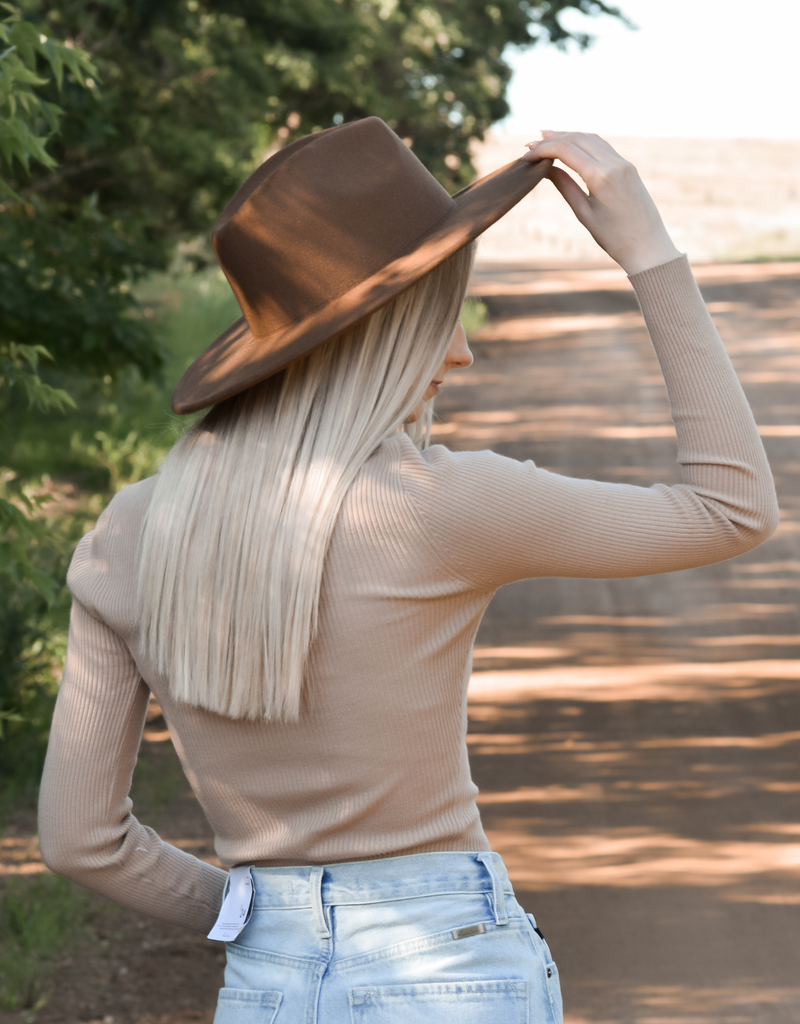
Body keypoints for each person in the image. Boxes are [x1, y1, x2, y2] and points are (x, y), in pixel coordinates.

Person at [38, 118, 778, 1024]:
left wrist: (260, 915)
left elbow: (80, 843)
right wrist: (652, 257)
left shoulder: (127, 531)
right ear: (383, 332)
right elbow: (732, 507)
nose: (461, 353)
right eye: (443, 317)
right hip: (447, 975)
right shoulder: (437, 503)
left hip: (267, 991)